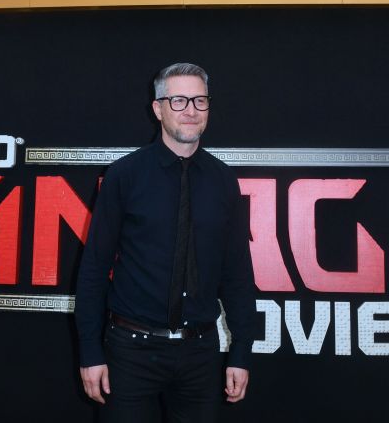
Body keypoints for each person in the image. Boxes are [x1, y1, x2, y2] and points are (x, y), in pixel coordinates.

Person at [75, 62, 255, 422]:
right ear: (158, 109)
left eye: (200, 100)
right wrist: (90, 352)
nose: (191, 110)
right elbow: (94, 268)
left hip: (201, 355)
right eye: (178, 101)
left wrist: (242, 351)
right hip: (130, 353)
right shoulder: (124, 175)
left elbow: (236, 272)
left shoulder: (223, 180)